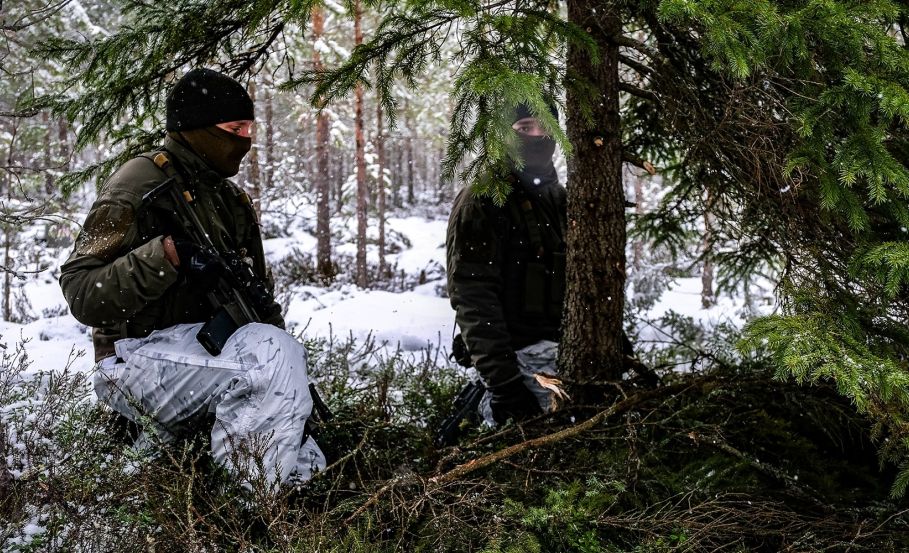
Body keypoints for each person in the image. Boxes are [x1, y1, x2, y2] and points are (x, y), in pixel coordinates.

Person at [59, 68, 325, 485]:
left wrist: (296, 390)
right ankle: (246, 513)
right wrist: (166, 257)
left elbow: (259, 305)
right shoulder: (141, 182)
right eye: (235, 127)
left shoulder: (230, 200)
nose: (246, 139)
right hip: (132, 358)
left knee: (306, 464)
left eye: (250, 127)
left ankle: (273, 508)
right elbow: (81, 291)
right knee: (270, 360)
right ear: (199, 129)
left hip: (203, 355)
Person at [446, 102, 567, 425]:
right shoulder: (483, 198)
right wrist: (504, 384)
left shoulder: (559, 198)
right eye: (526, 128)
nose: (537, 137)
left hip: (563, 354)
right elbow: (473, 297)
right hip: (517, 361)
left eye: (544, 128)